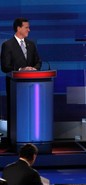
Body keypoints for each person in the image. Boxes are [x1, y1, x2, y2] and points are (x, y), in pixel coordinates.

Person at [1, 17, 42, 146]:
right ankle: (14, 141)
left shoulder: (31, 44)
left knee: (31, 113)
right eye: (26, 27)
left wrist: (33, 68)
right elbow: (5, 66)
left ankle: (32, 140)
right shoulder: (7, 45)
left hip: (32, 86)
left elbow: (38, 61)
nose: (29, 29)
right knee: (17, 114)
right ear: (18, 28)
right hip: (15, 86)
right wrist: (21, 69)